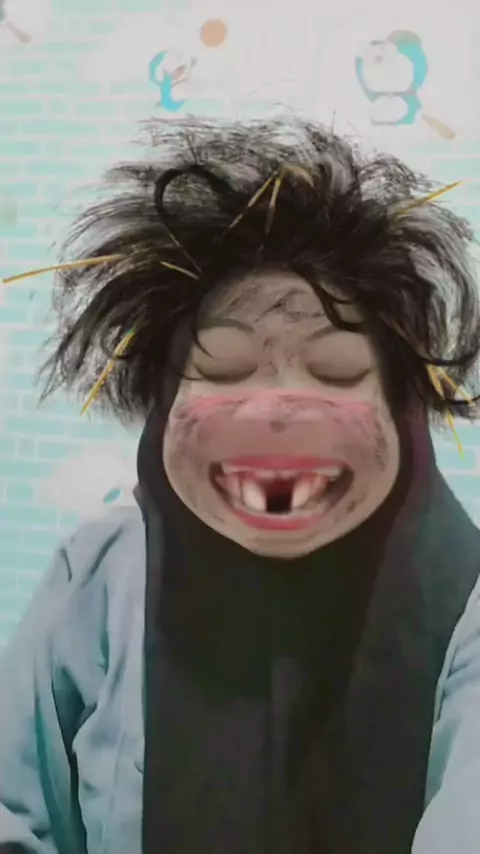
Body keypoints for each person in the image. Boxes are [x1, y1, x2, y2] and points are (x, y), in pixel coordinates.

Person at [1, 116, 480, 854]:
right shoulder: (95, 574)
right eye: (222, 368)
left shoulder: (468, 607)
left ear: (402, 412)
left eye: (337, 370)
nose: (276, 411)